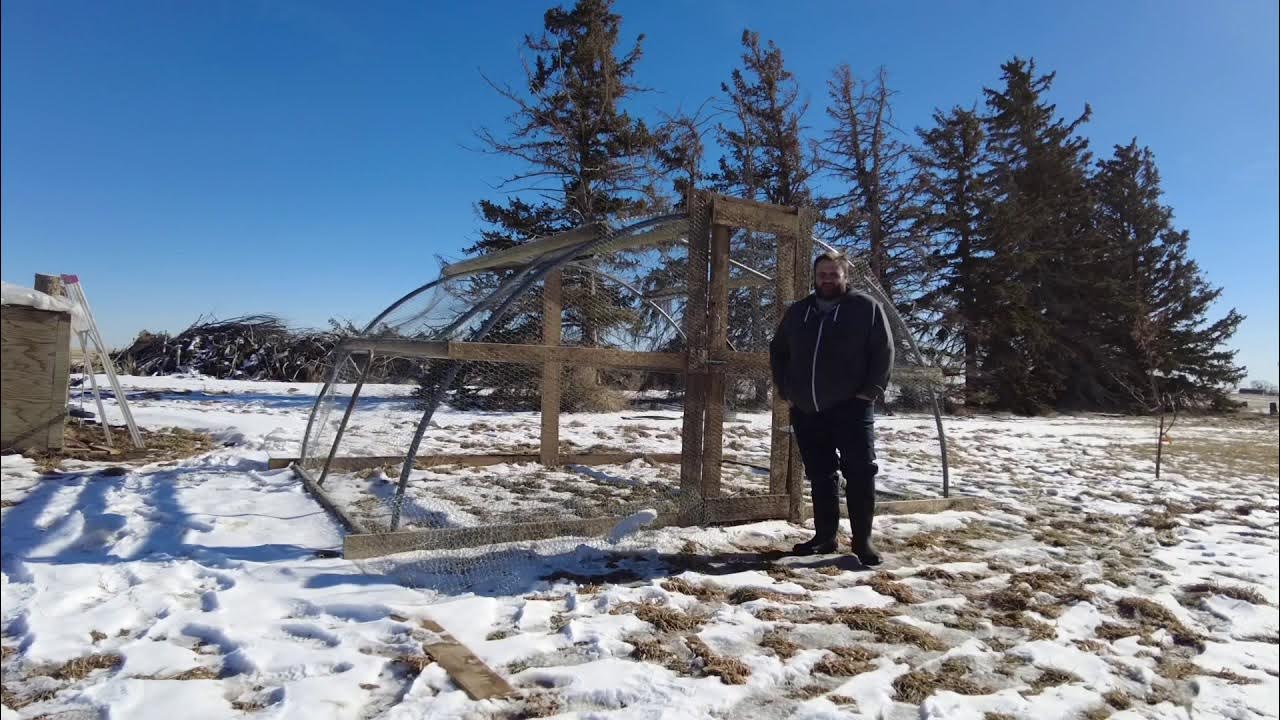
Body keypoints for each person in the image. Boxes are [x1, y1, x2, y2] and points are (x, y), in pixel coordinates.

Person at [769, 251, 893, 565]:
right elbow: (779, 350)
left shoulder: (866, 309)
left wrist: (869, 392)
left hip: (852, 406)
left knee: (860, 471)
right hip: (808, 408)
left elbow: (883, 350)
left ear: (845, 277)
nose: (827, 279)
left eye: (833, 274)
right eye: (822, 274)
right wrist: (788, 390)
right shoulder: (799, 312)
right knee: (821, 474)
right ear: (815, 276)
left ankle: (862, 540)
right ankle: (825, 537)